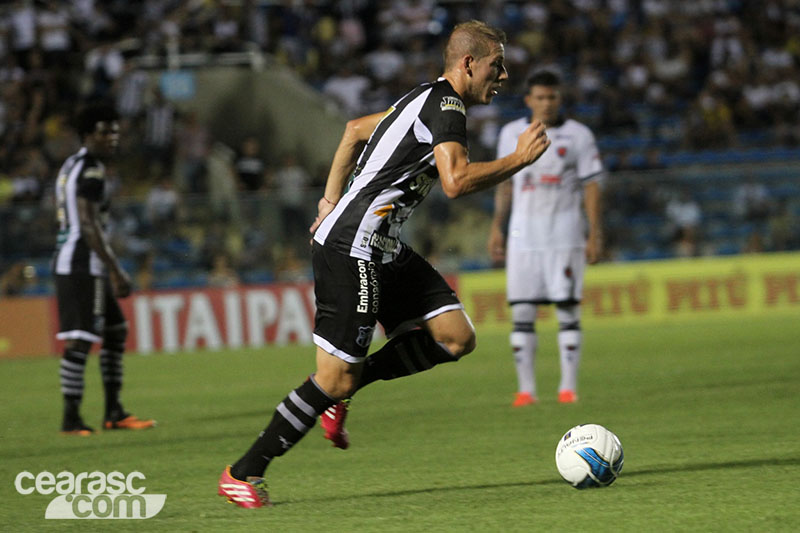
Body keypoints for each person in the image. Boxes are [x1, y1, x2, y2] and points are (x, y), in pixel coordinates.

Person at [218, 20, 551, 508]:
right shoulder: (448, 107)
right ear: (468, 63)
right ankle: (243, 472)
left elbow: (353, 131)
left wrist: (329, 200)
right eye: (496, 66)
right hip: (351, 249)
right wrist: (518, 159)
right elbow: (455, 181)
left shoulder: (424, 97)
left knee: (456, 337)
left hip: (384, 246)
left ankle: (347, 390)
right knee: (333, 378)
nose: (502, 77)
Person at [487, 70, 605, 407]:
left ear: (560, 98)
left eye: (552, 97)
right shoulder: (511, 133)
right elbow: (505, 183)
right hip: (523, 235)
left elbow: (592, 185)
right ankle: (526, 391)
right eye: (540, 97)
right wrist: (497, 226)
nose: (546, 103)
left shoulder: (579, 135)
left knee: (567, 310)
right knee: (522, 312)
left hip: (565, 234)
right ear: (528, 100)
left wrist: (594, 232)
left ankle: (568, 388)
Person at [52, 103, 155, 435]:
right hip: (81, 263)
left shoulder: (72, 164)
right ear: (87, 134)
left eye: (115, 131)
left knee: (115, 329)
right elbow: (88, 224)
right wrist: (115, 269)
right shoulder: (92, 171)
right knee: (80, 339)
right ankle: (71, 419)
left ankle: (114, 412)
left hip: (78, 260)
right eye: (104, 132)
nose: (112, 138)